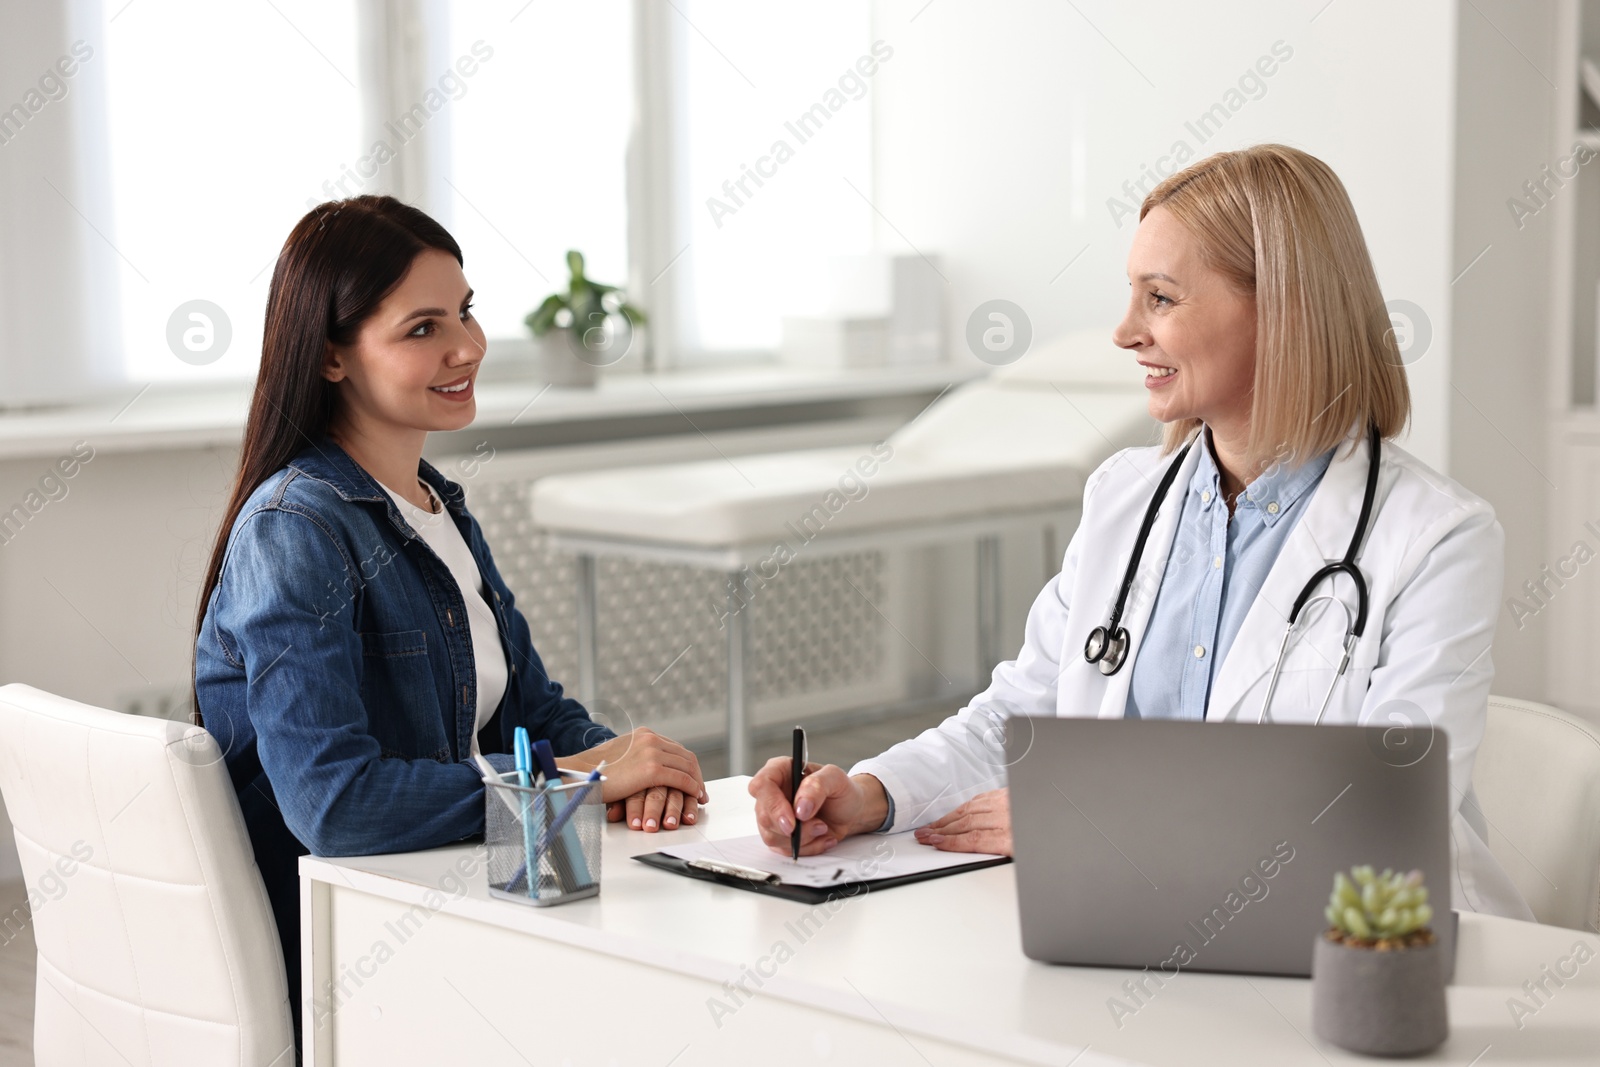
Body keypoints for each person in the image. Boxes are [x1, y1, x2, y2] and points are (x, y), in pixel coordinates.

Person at [749, 144, 1533, 920]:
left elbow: (1389, 813)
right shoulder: (1125, 499)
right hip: (1136, 932)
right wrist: (872, 793)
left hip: (1366, 962)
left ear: (1284, 309)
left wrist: (1100, 827)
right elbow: (1020, 721)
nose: (1125, 331)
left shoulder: (1436, 537)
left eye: (1160, 298)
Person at [192, 196, 707, 1038]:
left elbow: (536, 715)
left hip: (467, 890)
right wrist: (577, 783)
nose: (466, 347)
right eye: (422, 327)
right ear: (331, 356)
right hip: (360, 947)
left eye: (465, 311)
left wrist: (633, 775)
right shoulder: (296, 528)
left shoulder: (435, 507)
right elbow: (337, 805)